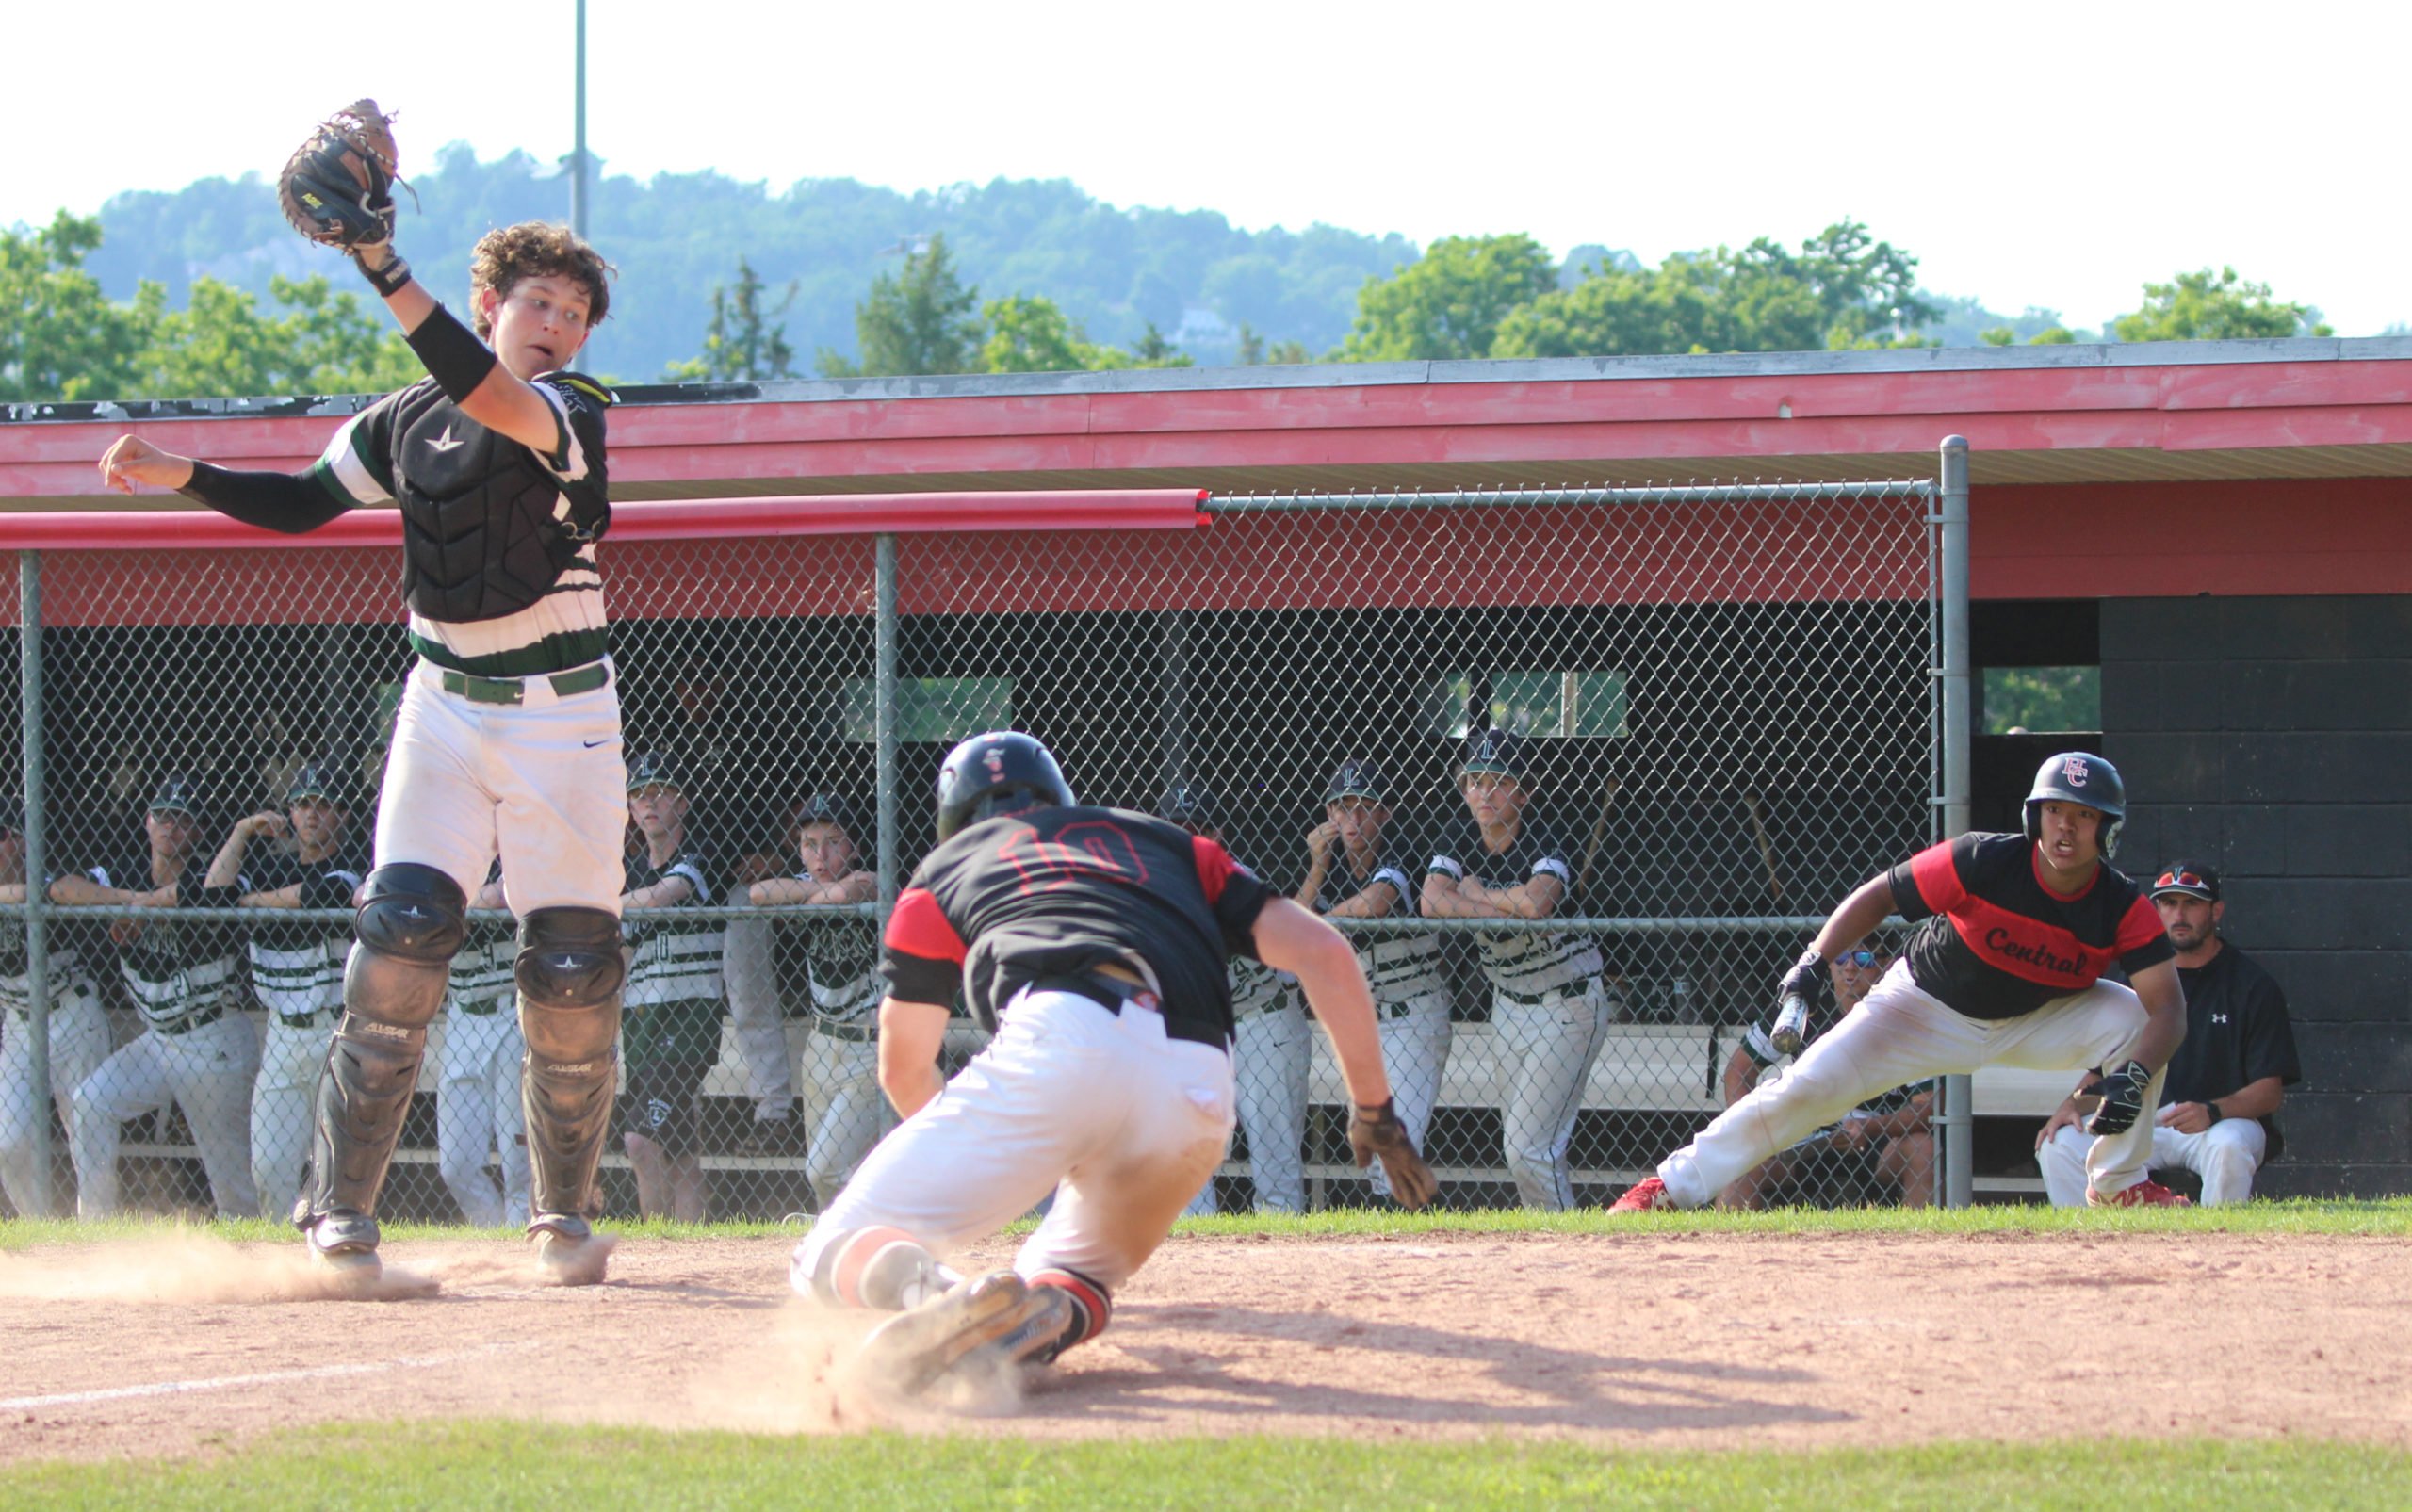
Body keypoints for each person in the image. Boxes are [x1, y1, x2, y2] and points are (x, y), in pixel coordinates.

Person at [98, 217, 627, 1283]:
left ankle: (561, 1217)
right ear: (491, 308)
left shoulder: (568, 410)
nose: (558, 327)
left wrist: (382, 267)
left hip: (561, 715)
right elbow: (303, 502)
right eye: (538, 304)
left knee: (569, 965)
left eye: (573, 314)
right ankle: (338, 1213)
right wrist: (179, 472)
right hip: (442, 700)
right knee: (403, 934)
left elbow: (490, 400)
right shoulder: (402, 420)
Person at [790, 731, 1435, 1396]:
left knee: (822, 1251)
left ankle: (938, 1294)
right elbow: (1324, 952)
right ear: (1059, 798)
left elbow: (902, 1067)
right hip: (1198, 1088)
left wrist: (1010, 1151)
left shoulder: (945, 872)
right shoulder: (1167, 842)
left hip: (1061, 1034)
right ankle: (1041, 1311)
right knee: (1070, 1269)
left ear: (954, 820)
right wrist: (1375, 1111)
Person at [1614, 752, 2192, 1212]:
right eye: (2054, 809)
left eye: (2084, 814)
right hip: (1923, 1006)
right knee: (1805, 1089)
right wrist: (1815, 959)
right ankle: (1668, 1186)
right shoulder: (1985, 860)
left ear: (2107, 830)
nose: (2066, 825)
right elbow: (1883, 892)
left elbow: (2168, 1011)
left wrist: (2131, 1079)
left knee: (2132, 1019)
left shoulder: (2121, 905)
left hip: (2033, 1021)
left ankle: (2117, 1183)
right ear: (2033, 816)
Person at [1422, 729, 1616, 1211]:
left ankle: (1565, 1248)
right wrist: (1496, 904)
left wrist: (1475, 897)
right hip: (1507, 1003)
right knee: (1524, 1149)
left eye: (1499, 781)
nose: (1484, 793)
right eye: (1475, 781)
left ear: (1523, 791)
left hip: (1566, 1000)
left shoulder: (1545, 833)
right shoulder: (1460, 831)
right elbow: (1430, 901)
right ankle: (1551, 1241)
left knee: (1527, 1148)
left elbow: (1537, 903)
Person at [55, 777, 261, 1219]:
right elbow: (61, 888)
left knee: (230, 1178)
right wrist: (132, 902)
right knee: (91, 1102)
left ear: (199, 832)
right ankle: (96, 1227)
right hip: (160, 1041)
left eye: (183, 820)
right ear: (147, 823)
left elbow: (208, 895)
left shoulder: (215, 870)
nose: (171, 828)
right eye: (163, 817)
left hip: (211, 1039)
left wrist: (142, 911)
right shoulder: (125, 874)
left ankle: (252, 1262)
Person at [2038, 860, 2302, 1206]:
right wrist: (2068, 1105)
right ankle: (2095, 1249)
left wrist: (2213, 1110)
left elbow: (2269, 1093)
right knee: (2059, 1145)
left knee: (2230, 1146)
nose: (2179, 915)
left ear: (2216, 911)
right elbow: (2101, 1073)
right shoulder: (2134, 985)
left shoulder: (2252, 986)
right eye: (2168, 903)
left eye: (2191, 903)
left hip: (2218, 1124)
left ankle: (2221, 1243)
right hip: (2145, 1124)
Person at [198, 763, 368, 1219]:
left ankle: (334, 1253)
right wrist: (242, 831)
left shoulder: (352, 868)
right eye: (302, 805)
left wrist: (250, 903)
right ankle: (279, 1268)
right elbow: (212, 897)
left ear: (343, 815)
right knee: (269, 1169)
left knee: (336, 1171)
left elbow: (320, 895)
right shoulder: (269, 866)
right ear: (289, 814)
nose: (312, 816)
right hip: (282, 1038)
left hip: (335, 1033)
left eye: (324, 806)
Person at [1298, 759, 1452, 1206]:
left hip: (1414, 1012)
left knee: (1392, 1148)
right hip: (1368, 1021)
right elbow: (1289, 921)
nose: (1354, 820)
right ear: (1329, 816)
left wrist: (1318, 923)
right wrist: (1316, 865)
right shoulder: (1326, 866)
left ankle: (1423, 1236)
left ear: (1384, 813)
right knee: (1372, 1152)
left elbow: (1376, 902)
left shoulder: (1398, 851)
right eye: (1343, 809)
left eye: (1366, 808)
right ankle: (1410, 1240)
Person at [1160, 783, 1300, 1213]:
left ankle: (1285, 1268)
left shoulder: (1240, 881)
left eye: (1199, 829)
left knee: (1274, 1163)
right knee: (1186, 1152)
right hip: (1202, 1032)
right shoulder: (1157, 888)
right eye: (1177, 830)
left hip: (1264, 1021)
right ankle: (1203, 1262)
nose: (1189, 839)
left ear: (1218, 835)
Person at [745, 794, 888, 1210]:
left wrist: (811, 895)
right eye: (809, 843)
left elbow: (850, 894)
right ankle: (843, 1252)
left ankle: (864, 1233)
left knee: (823, 1168)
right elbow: (757, 892)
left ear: (855, 846)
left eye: (834, 841)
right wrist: (815, 892)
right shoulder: (805, 883)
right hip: (820, 1047)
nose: (820, 854)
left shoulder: (871, 881)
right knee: (832, 1180)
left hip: (869, 1046)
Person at [1719, 935, 1935, 1209]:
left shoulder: (1903, 1019)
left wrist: (1868, 1128)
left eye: (1864, 958)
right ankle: (1736, 1249)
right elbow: (1739, 1069)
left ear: (1887, 965)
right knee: (1741, 1161)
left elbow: (1927, 1106)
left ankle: (1916, 1246)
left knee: (1923, 1149)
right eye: (1841, 958)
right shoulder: (1801, 1009)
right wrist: (1750, 1128)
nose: (1850, 969)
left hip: (1880, 1139)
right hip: (1805, 1136)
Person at [619, 754, 725, 1222]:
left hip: (688, 1020)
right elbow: (620, 953)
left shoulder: (698, 858)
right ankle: (690, 1247)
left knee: (639, 1142)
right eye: (640, 794)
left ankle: (653, 1242)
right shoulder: (625, 874)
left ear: (682, 802)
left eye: (661, 792)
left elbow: (665, 895)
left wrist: (602, 903)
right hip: (641, 1022)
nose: (650, 802)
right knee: (682, 1156)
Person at [0, 801, 110, 1217]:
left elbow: (52, 891)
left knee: (88, 1136)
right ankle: (41, 1233)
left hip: (72, 1015)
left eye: (1, 836)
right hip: (18, 1025)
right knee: (8, 1142)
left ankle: (98, 1241)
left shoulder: (48, 885)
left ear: (20, 842)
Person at [437, 865, 530, 1227]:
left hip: (512, 1012)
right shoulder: (452, 849)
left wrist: (447, 903)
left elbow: (497, 896)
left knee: (518, 1163)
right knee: (456, 1165)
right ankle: (496, 1238)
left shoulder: (516, 843)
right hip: (461, 1016)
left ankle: (522, 1244)